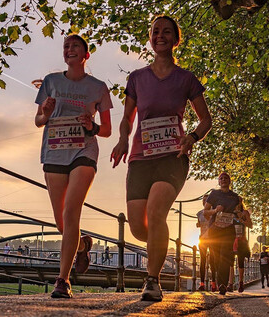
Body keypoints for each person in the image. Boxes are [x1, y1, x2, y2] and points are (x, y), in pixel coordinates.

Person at [110, 15, 212, 301]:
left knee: (156, 212)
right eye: (155, 31)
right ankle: (160, 241)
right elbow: (127, 119)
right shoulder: (137, 78)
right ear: (150, 38)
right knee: (139, 227)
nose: (160, 36)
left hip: (172, 157)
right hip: (140, 158)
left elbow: (206, 119)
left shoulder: (186, 78)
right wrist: (121, 139)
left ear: (176, 39)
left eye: (167, 32)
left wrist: (191, 137)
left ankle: (152, 281)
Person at [35, 34, 112, 299]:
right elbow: (38, 120)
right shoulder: (50, 82)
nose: (69, 49)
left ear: (85, 55)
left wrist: (92, 126)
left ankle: (62, 280)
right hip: (54, 152)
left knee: (71, 211)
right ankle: (81, 245)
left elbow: (107, 130)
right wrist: (45, 112)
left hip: (84, 150)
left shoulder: (99, 87)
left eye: (75, 46)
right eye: (66, 46)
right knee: (61, 222)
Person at [204, 172, 240, 295]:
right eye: (221, 178)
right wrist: (215, 210)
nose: (224, 180)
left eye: (226, 178)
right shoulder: (214, 194)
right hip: (215, 229)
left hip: (229, 229)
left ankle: (223, 285)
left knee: (225, 256)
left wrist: (239, 214)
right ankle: (220, 282)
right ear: (219, 182)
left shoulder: (235, 197)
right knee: (216, 258)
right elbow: (205, 212)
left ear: (230, 181)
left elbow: (238, 213)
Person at [227, 198, 252, 293]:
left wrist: (242, 219)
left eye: (238, 201)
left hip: (241, 240)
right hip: (232, 239)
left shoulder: (244, 212)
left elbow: (250, 225)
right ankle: (230, 284)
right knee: (230, 262)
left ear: (241, 202)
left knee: (240, 262)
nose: (236, 203)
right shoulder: (230, 213)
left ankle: (241, 282)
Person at [196, 194, 216, 292]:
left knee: (213, 262)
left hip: (213, 239)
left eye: (206, 200)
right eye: (203, 200)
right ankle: (202, 284)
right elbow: (199, 224)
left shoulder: (214, 213)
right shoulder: (199, 213)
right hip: (202, 239)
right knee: (202, 262)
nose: (205, 202)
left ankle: (213, 284)